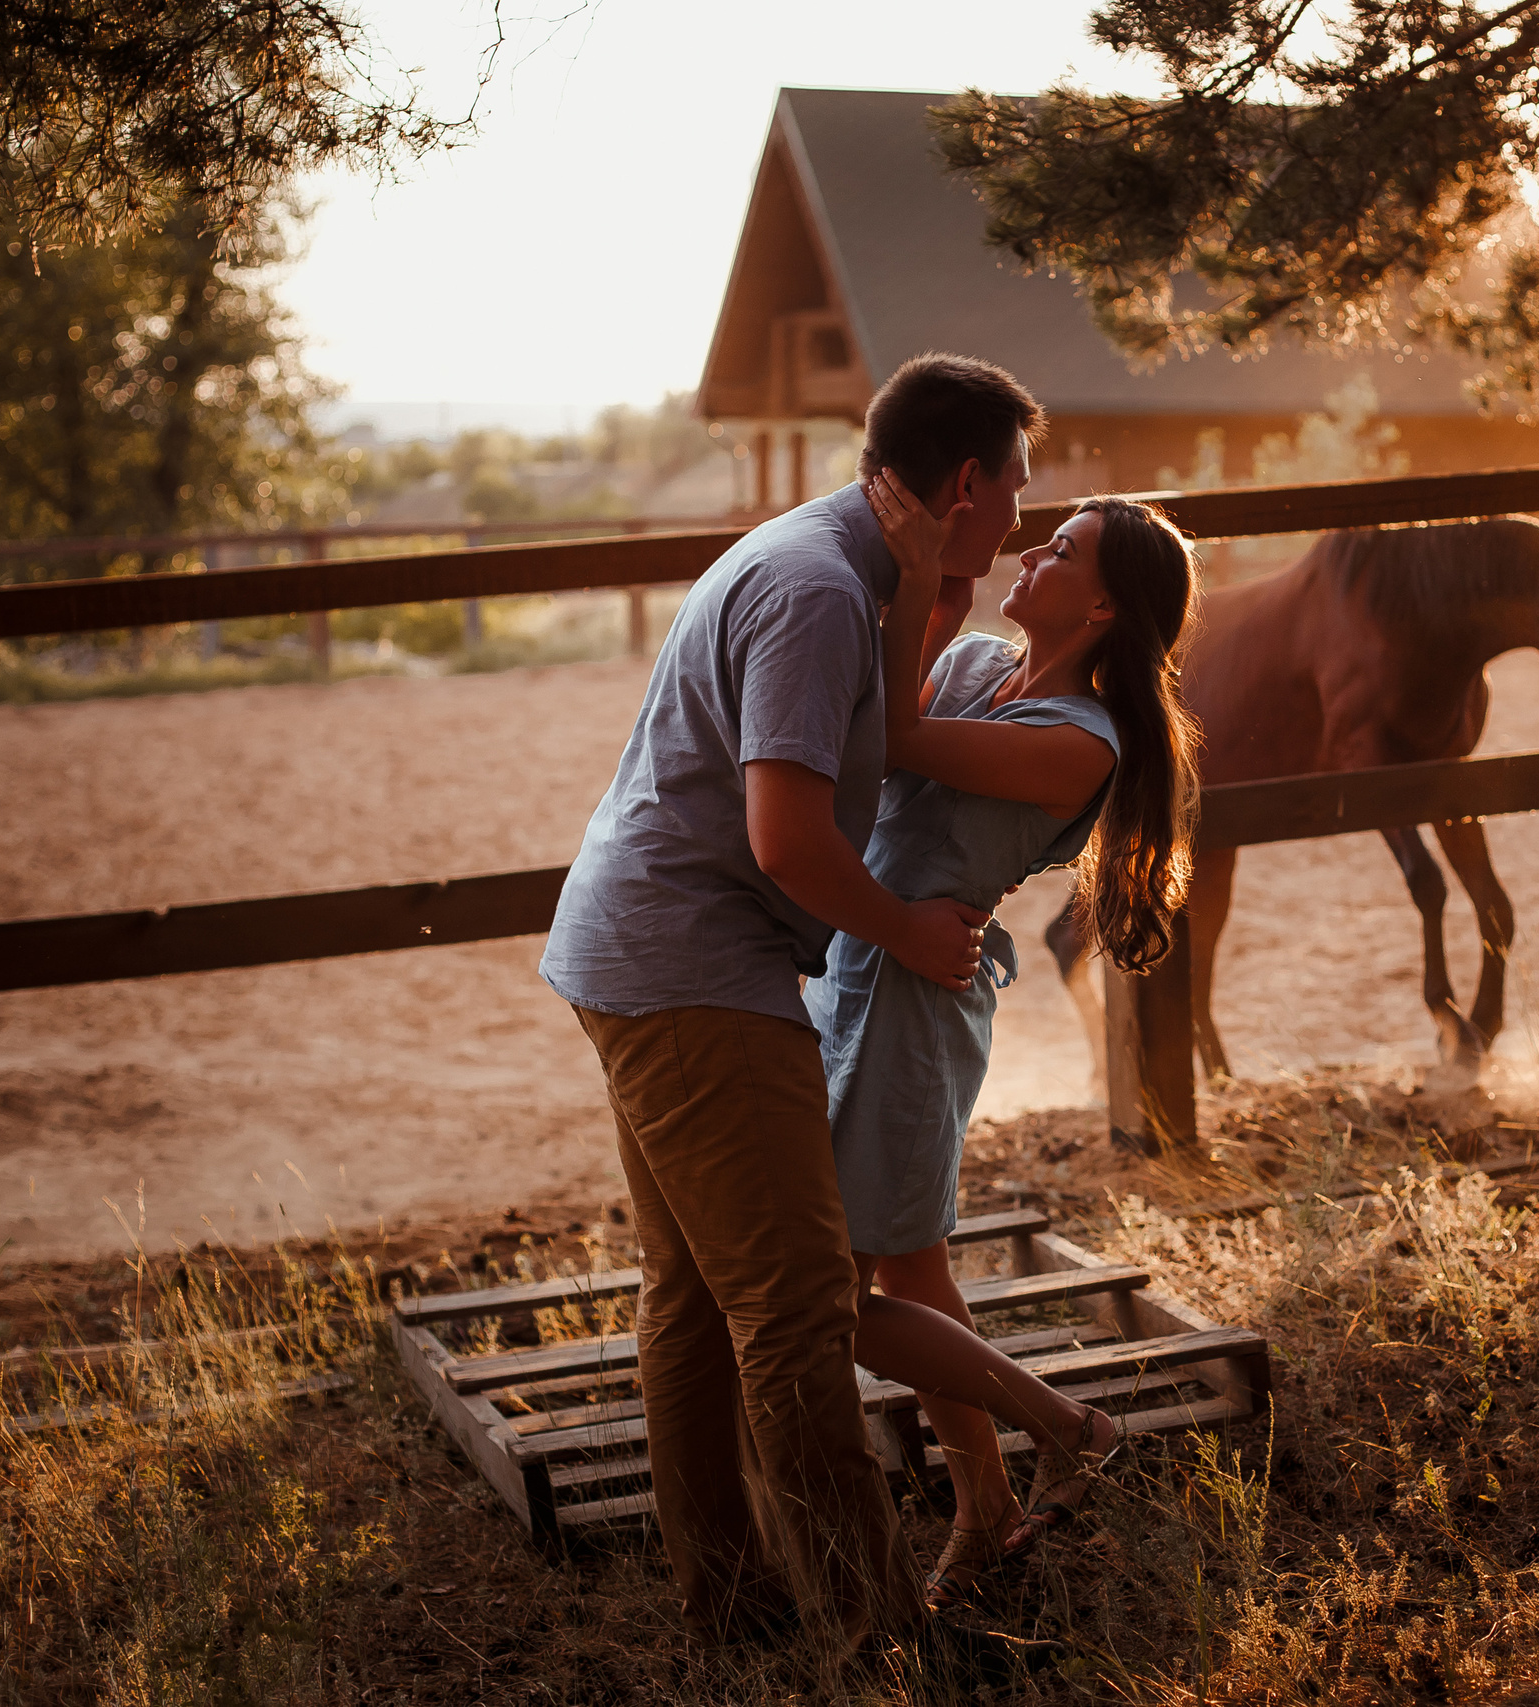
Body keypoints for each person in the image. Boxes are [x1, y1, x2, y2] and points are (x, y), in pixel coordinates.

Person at [536, 353, 1050, 1669]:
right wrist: (912, 933)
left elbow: (871, 737)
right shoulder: (818, 590)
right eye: (1018, 490)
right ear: (968, 481)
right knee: (798, 1304)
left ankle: (740, 1610)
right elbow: (785, 834)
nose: (1022, 523)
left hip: (643, 945)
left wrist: (927, 587)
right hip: (690, 967)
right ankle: (876, 1630)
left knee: (698, 1299)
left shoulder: (833, 560)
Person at [813, 470, 1202, 1613]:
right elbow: (891, 716)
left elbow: (898, 737)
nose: (1031, 555)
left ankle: (1064, 1426)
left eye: (1063, 552)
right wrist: (930, 589)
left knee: (825, 1297)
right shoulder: (986, 662)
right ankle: (985, 1507)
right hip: (861, 965)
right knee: (910, 1263)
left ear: (1102, 613)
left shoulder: (1079, 745)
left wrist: (929, 571)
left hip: (915, 1003)